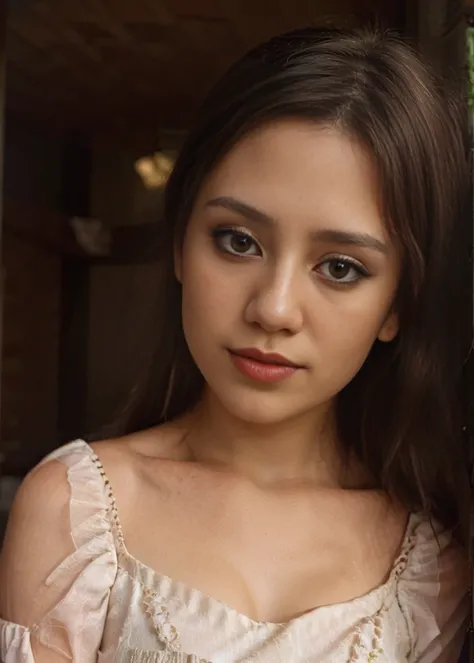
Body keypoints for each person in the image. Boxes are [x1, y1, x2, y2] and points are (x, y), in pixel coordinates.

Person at [0, 26, 470, 663]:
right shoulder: (77, 511)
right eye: (238, 241)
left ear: (397, 307)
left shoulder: (431, 564)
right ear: (179, 246)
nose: (273, 310)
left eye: (340, 267)